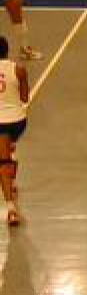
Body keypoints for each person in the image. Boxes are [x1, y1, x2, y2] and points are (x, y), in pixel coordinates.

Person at [0, 37, 29, 227]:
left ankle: (11, 209)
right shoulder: (19, 69)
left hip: (0, 123)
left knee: (3, 163)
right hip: (18, 122)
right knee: (7, 148)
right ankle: (10, 157)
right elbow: (25, 97)